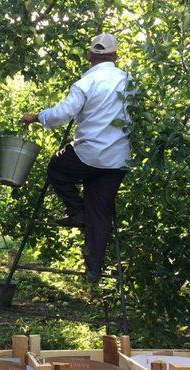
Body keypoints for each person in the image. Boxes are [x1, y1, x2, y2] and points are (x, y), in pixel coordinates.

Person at [21, 33, 132, 282]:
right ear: (115, 56)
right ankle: (94, 267)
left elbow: (64, 113)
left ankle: (76, 210)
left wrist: (37, 116)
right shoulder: (128, 81)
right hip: (117, 159)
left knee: (57, 167)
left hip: (90, 153)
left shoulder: (87, 82)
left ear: (90, 56)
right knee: (101, 212)